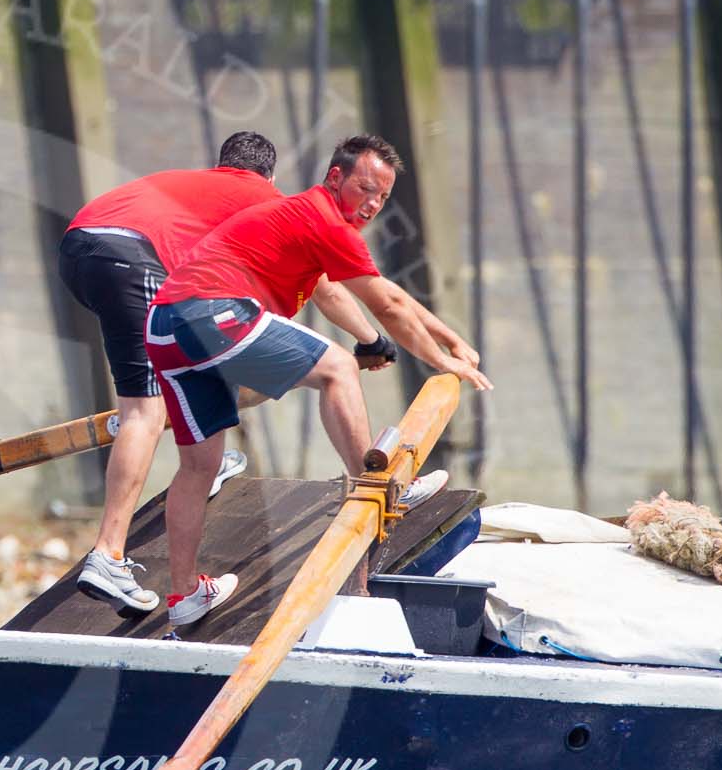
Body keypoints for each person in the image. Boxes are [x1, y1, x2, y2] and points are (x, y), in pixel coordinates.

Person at [145, 133, 492, 629]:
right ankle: (386, 483)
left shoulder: (306, 224)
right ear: (335, 178)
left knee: (200, 467)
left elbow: (384, 292)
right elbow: (386, 306)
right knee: (337, 368)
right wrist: (444, 361)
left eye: (382, 198)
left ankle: (183, 595)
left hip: (163, 327)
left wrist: (450, 337)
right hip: (211, 311)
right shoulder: (322, 218)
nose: (371, 205)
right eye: (364, 189)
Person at [57, 131, 389, 615]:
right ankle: (108, 554)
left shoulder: (197, 187)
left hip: (78, 251)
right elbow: (326, 289)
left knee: (189, 361)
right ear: (270, 177)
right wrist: (372, 340)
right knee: (143, 414)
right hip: (131, 257)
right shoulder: (267, 200)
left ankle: (200, 458)